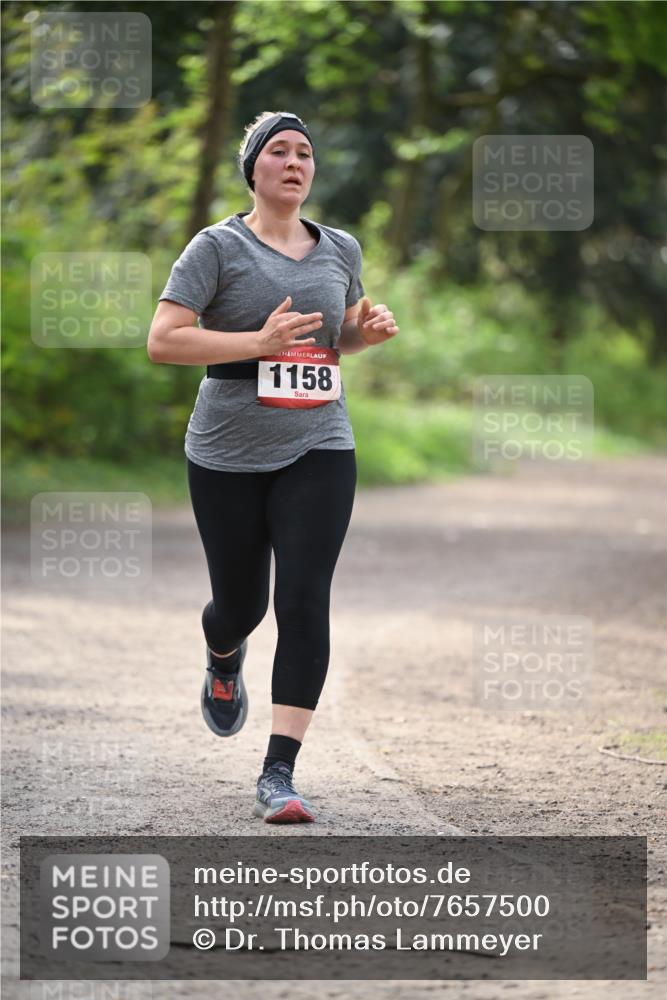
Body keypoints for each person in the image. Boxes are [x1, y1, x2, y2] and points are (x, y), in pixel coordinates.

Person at [147, 111, 398, 823]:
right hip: (226, 449)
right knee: (241, 606)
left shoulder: (339, 247)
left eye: (305, 153)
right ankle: (223, 654)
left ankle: (278, 774)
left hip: (319, 443)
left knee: (303, 600)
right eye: (279, 151)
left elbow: (335, 334)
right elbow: (164, 341)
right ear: (252, 168)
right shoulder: (215, 248)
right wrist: (255, 341)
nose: (294, 162)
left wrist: (363, 334)